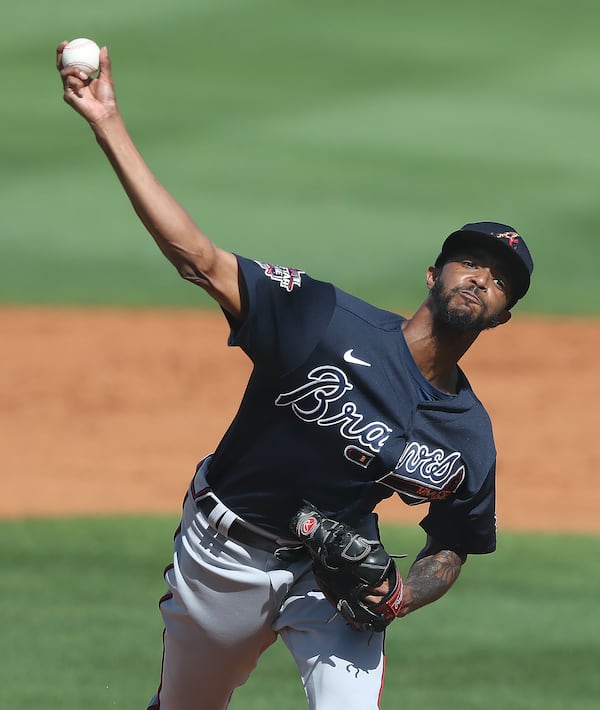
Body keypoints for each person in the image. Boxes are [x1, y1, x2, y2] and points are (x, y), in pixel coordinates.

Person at [57, 43, 534, 710]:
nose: (483, 277)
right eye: (471, 262)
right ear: (434, 275)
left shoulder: (466, 432)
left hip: (329, 580)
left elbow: (451, 548)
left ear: (505, 315)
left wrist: (398, 596)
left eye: (502, 279)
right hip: (226, 553)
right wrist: (107, 123)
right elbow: (199, 259)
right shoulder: (323, 318)